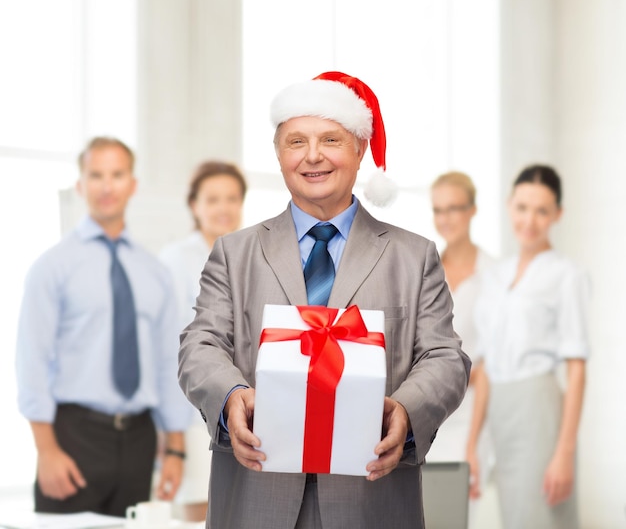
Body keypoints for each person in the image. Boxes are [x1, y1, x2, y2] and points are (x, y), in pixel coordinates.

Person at [178, 71, 471, 529]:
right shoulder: (235, 254)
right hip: (256, 496)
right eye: (296, 142)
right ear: (279, 155)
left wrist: (408, 409)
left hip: (371, 498)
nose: (312, 156)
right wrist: (231, 395)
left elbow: (445, 357)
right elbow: (200, 345)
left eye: (330, 139)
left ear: (359, 149)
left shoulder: (413, 257)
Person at [15, 137, 190, 517]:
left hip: (140, 441)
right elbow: (32, 361)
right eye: (96, 175)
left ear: (133, 184)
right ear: (80, 185)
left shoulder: (154, 273)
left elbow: (165, 363)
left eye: (117, 174)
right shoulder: (53, 267)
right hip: (73, 437)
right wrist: (46, 451)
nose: (107, 186)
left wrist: (175, 448)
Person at [466, 165, 590, 529]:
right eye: (522, 207)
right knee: (514, 516)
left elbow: (577, 369)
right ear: (508, 206)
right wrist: (472, 444)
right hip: (500, 413)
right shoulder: (494, 276)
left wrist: (564, 452)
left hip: (540, 410)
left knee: (539, 516)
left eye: (542, 211)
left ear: (557, 215)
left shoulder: (567, 276)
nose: (529, 220)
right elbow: (485, 365)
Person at [159, 160, 247, 521]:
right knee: (198, 514)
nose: (223, 208)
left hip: (245, 411)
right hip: (191, 415)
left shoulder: (250, 254)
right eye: (212, 199)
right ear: (194, 205)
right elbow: (167, 350)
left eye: (231, 198)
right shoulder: (174, 261)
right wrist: (173, 436)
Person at [427, 171, 495, 524]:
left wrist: (473, 444)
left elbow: (489, 369)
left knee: (463, 516)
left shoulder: (495, 275)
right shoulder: (426, 271)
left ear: (472, 210)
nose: (446, 219)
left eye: (454, 208)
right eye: (439, 210)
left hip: (473, 419)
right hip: (429, 417)